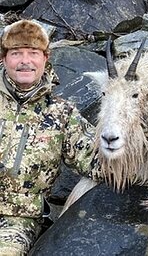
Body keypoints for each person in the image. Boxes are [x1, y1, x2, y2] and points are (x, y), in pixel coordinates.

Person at [0, 19, 100, 255]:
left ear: (45, 59)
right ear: (3, 59)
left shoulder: (62, 114)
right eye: (16, 53)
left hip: (17, 222)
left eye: (33, 53)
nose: (25, 61)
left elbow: (98, 161)